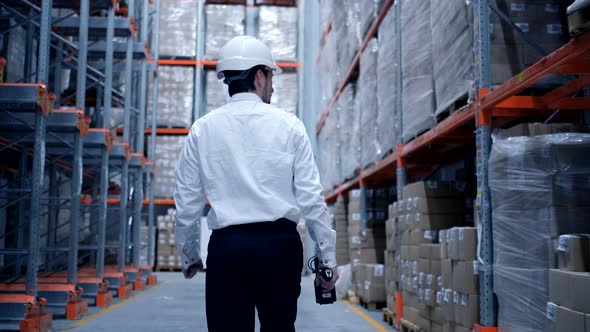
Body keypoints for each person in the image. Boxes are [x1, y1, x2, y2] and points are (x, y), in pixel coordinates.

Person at [174, 36, 338, 332]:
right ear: (259, 76)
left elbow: (187, 201)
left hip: (228, 250)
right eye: (271, 76)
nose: (273, 86)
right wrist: (326, 260)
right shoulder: (290, 125)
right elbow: (312, 199)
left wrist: (189, 255)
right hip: (279, 249)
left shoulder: (203, 129)